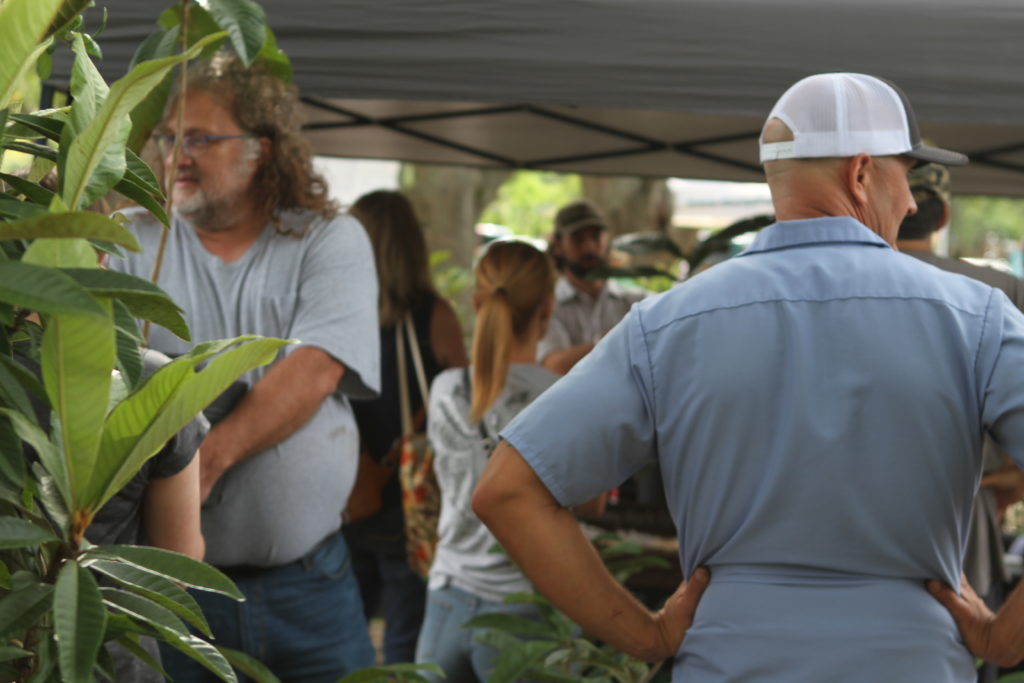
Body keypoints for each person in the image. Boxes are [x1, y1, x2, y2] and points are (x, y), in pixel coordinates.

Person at [473, 72, 1024, 681]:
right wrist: (1004, 639)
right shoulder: (975, 317)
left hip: (727, 662)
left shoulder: (666, 323)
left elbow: (508, 491)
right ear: (861, 173)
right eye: (905, 174)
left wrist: (645, 633)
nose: (914, 202)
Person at [108, 52, 380, 681]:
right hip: (166, 593)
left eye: (200, 138)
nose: (177, 154)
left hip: (307, 585)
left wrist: (197, 466)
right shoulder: (125, 243)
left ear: (261, 149)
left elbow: (315, 370)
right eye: (169, 136)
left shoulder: (326, 240)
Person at [415, 239, 597, 681]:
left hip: (447, 603)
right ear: (547, 309)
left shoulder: (445, 389)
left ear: (476, 304)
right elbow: (592, 507)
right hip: (529, 611)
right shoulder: (567, 397)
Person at [344, 189, 467, 664]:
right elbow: (466, 394)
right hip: (413, 502)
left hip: (347, 491)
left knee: (347, 634)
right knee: (405, 640)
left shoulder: (340, 314)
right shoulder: (431, 316)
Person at [537, 199, 644, 374]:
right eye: (578, 239)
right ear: (557, 245)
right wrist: (612, 339)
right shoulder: (548, 306)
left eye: (595, 237)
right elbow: (553, 365)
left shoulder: (636, 301)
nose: (589, 247)